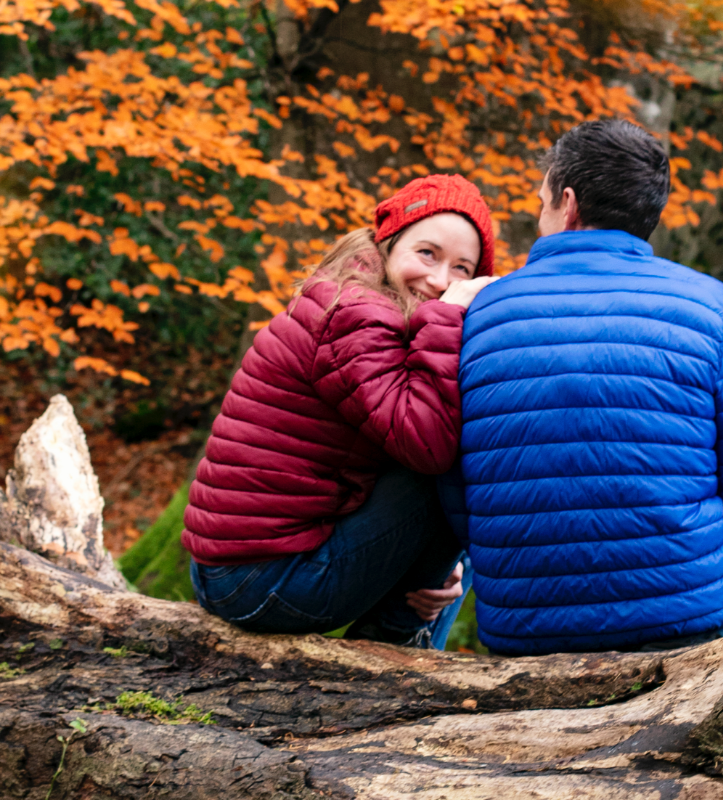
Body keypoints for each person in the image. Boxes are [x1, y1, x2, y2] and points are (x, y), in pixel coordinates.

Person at [445, 119, 723, 655]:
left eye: (541, 204)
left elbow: (450, 478)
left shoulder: (481, 314)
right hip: (690, 617)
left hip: (527, 632)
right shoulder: (712, 308)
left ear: (568, 203)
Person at [182, 174, 498, 649]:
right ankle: (402, 643)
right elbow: (426, 445)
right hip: (257, 579)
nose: (439, 280)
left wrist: (438, 559)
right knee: (459, 463)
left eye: (461, 268)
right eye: (427, 253)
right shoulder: (354, 315)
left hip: (245, 565)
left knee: (462, 503)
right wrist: (448, 318)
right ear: (388, 243)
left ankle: (408, 633)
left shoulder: (362, 300)